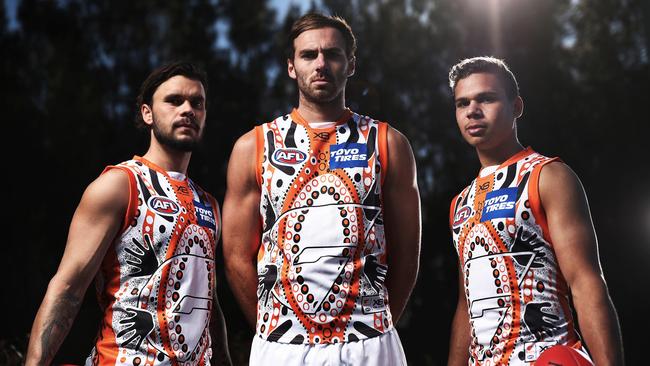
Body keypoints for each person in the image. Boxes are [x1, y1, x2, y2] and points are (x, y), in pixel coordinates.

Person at [222, 13, 421, 366]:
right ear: (291, 66)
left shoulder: (388, 142)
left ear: (351, 64)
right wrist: (275, 327)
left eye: (332, 54)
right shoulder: (253, 146)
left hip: (369, 342)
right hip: (281, 345)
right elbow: (236, 255)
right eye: (308, 55)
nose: (321, 64)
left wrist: (376, 320)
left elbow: (407, 254)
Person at [25, 61, 232, 366]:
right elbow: (68, 288)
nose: (187, 109)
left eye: (196, 103)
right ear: (147, 113)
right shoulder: (120, 184)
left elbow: (208, 302)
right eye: (174, 100)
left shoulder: (209, 204)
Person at [445, 56, 624, 366]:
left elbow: (585, 282)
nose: (473, 110)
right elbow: (466, 307)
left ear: (516, 107)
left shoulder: (549, 176)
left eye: (486, 98)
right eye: (463, 103)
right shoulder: (460, 203)